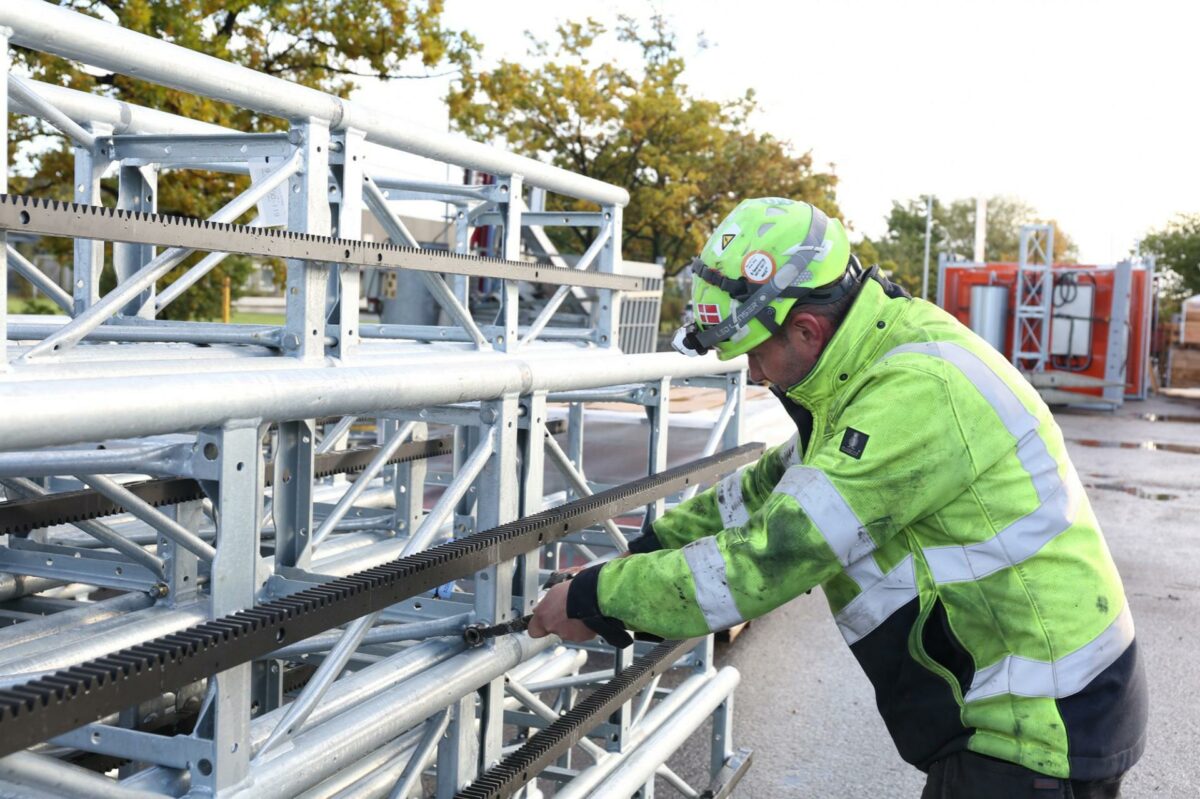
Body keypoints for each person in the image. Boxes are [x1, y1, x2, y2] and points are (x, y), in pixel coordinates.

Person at [528, 198, 1147, 798]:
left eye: (756, 354)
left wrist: (597, 597)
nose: (755, 375)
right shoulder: (869, 362)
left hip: (1042, 719)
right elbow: (766, 487)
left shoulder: (916, 391)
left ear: (806, 327)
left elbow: (770, 559)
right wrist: (647, 547)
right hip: (1028, 700)